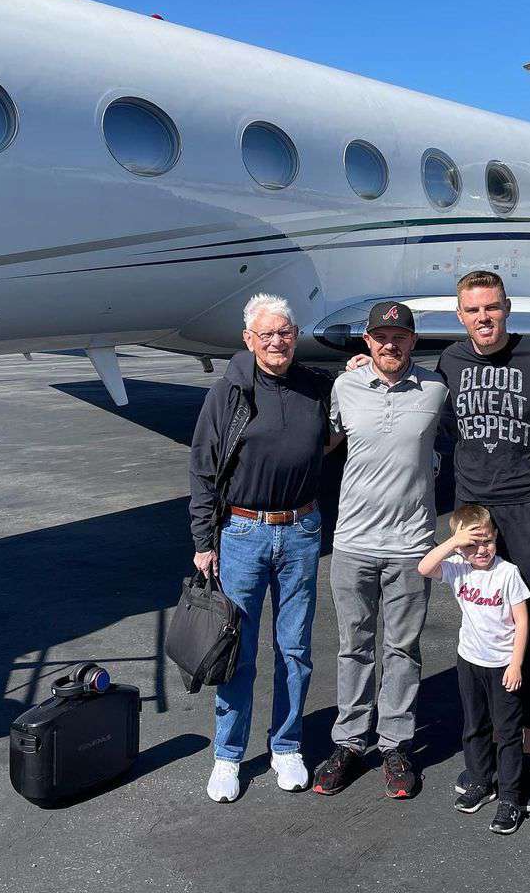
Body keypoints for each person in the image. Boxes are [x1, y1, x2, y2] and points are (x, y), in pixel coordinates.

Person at [189, 293, 333, 804]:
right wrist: (203, 541)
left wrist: (359, 364)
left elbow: (338, 430)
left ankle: (286, 745)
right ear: (248, 340)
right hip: (243, 534)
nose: (277, 341)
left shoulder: (317, 386)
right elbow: (204, 470)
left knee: (295, 649)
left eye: (285, 332)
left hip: (300, 529)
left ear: (296, 336)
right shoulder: (227, 393)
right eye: (266, 334)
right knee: (238, 651)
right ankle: (228, 755)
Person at [435, 270, 530, 811]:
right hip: (474, 516)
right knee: (479, 628)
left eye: (491, 307)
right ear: (460, 315)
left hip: (527, 511)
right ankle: (487, 759)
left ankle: (529, 758)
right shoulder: (449, 361)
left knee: (528, 636)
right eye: (472, 310)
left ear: (507, 307)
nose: (483, 318)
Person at [312, 301, 448, 799]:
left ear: (413, 340)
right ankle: (349, 742)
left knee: (402, 648)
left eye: (400, 336)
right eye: (380, 337)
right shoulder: (344, 386)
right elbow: (324, 441)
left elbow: (461, 439)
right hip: (352, 542)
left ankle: (395, 743)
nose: (390, 344)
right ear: (366, 342)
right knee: (354, 645)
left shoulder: (436, 389)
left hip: (412, 544)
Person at [418, 504, 530, 835]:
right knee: (474, 726)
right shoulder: (457, 568)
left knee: (508, 733)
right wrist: (454, 543)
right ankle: (481, 781)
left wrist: (515, 663)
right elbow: (424, 567)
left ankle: (511, 798)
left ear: (495, 536)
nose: (481, 551)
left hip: (502, 666)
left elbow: (523, 621)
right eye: (472, 545)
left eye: (486, 542)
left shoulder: (507, 573)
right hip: (469, 661)